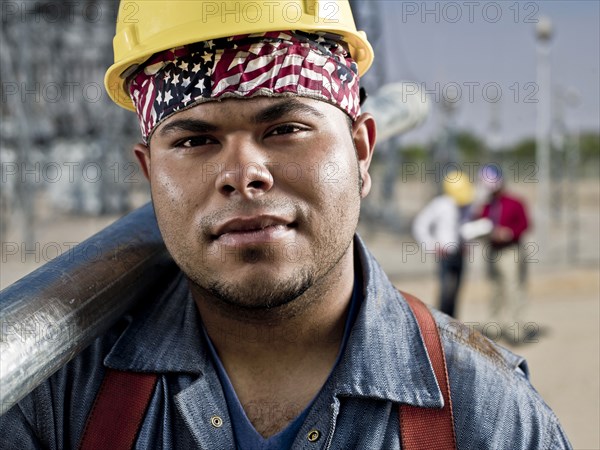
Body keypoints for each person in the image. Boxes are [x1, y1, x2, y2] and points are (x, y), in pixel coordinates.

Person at [0, 1, 570, 448]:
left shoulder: (483, 416)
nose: (244, 174)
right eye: (196, 140)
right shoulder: (57, 402)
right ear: (150, 174)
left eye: (285, 128)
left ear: (361, 152)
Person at [476, 164, 532, 342]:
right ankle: (494, 327)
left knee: (513, 288)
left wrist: (509, 233)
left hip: (511, 251)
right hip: (492, 251)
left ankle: (516, 330)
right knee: (494, 289)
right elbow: (481, 224)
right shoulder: (485, 206)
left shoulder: (515, 202)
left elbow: (525, 224)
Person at [412, 171, 477, 317]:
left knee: (457, 292)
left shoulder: (468, 205)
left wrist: (469, 244)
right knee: (445, 291)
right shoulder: (441, 204)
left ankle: (454, 324)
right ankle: (442, 324)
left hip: (460, 254)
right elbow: (420, 225)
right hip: (445, 255)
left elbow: (468, 227)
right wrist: (432, 246)